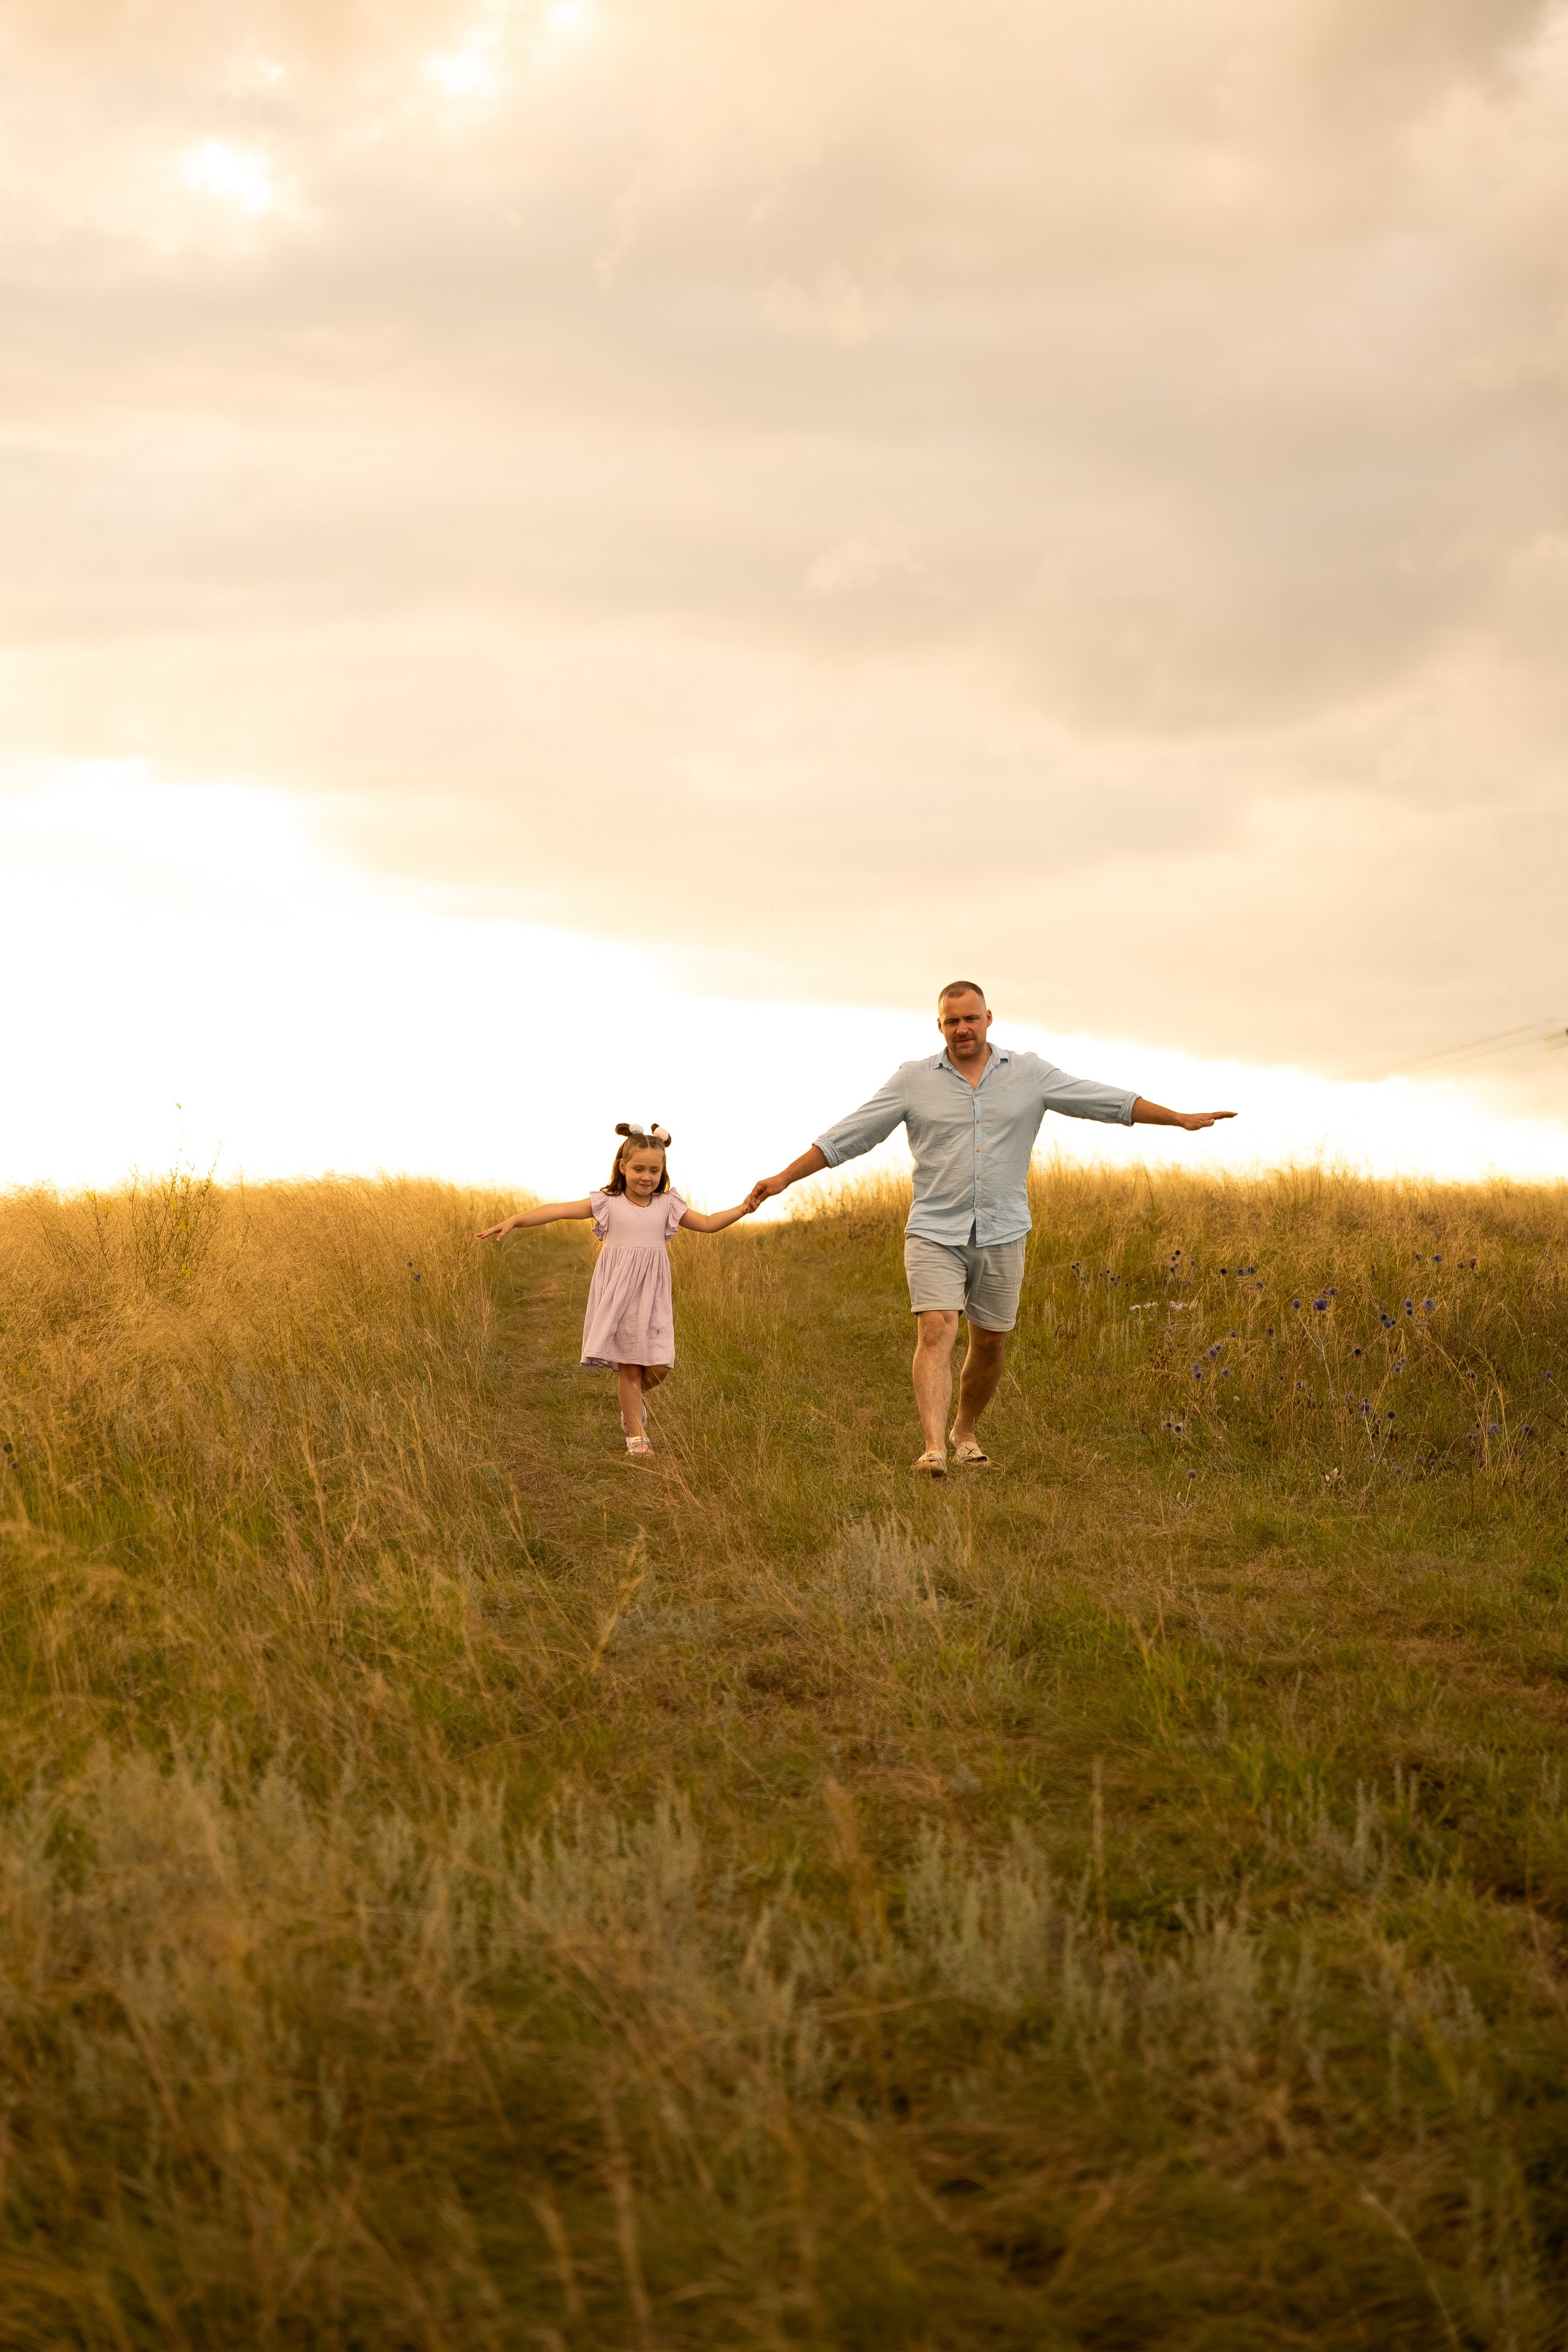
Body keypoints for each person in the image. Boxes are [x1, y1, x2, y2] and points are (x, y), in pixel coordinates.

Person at [746, 983, 1235, 1476]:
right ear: (940, 1026)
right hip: (935, 1229)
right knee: (936, 1328)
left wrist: (1176, 1118)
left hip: (1003, 1231)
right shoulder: (913, 1080)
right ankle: (934, 1448)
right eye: (952, 1021)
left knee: (990, 1343)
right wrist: (785, 1177)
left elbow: (1102, 1100)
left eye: (971, 1019)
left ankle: (965, 1431)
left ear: (988, 1019)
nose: (963, 1028)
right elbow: (851, 1133)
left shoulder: (1029, 1074)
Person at [481, 1121, 756, 1457]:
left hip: (653, 1294)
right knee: (629, 1363)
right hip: (619, 1292)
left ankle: (631, 1406)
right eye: (638, 1168)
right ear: (623, 1166)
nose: (646, 1176)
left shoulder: (668, 1205)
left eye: (655, 1170)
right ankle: (636, 1436)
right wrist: (515, 1220)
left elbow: (710, 1224)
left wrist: (744, 1208)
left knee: (659, 1365)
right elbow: (557, 1210)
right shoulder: (608, 1203)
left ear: (663, 1171)